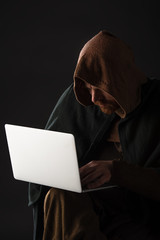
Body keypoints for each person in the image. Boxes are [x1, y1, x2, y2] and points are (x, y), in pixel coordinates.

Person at [28, 30, 160, 240]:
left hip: (139, 215)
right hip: (93, 206)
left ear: (121, 79)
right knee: (58, 196)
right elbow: (47, 165)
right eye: (88, 88)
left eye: (101, 87)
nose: (93, 97)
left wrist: (115, 171)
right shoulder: (81, 105)